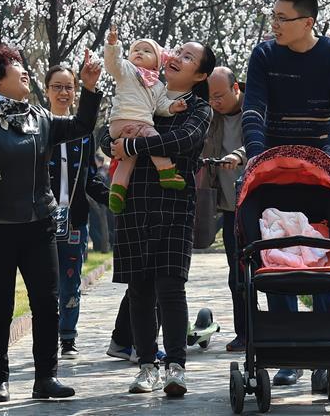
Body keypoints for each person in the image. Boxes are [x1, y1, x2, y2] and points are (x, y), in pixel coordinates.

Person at [0, 44, 102, 403]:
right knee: (0, 305)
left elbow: (82, 125)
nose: (24, 71)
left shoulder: (40, 118)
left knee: (47, 303)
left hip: (39, 225)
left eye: (23, 65)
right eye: (14, 66)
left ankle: (46, 378)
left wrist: (90, 88)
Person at [242, 0, 330, 389]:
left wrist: (326, 159)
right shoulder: (264, 56)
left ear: (307, 21)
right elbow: (254, 108)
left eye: (282, 18)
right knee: (273, 254)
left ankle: (328, 353)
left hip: (321, 172)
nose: (274, 25)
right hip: (273, 171)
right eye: (272, 16)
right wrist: (258, 155)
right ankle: (285, 350)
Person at [102, 40, 215, 397]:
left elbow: (183, 140)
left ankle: (176, 368)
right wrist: (114, 142)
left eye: (188, 57)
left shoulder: (198, 108)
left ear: (200, 74)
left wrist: (131, 146)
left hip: (174, 205)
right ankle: (146, 367)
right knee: (139, 290)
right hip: (135, 201)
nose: (177, 58)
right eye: (177, 52)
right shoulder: (143, 87)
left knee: (170, 287)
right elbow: (106, 135)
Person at [44, 64, 110, 359]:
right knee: (44, 282)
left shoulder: (83, 133)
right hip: (41, 219)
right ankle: (44, 337)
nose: (63, 92)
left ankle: (68, 336)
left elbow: (91, 178)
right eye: (57, 86)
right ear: (46, 90)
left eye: (68, 87)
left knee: (71, 278)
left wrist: (114, 199)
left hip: (74, 218)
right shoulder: (38, 126)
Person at [103, 23, 188, 213]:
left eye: (147, 51)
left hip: (129, 128)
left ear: (157, 62)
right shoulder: (126, 69)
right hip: (125, 121)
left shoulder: (157, 86)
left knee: (127, 158)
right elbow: (112, 64)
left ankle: (116, 191)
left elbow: (161, 106)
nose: (139, 52)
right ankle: (166, 172)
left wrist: (173, 106)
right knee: (154, 138)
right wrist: (113, 46)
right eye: (135, 50)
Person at [202, 66, 247, 351]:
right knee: (236, 274)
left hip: (256, 203)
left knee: (266, 273)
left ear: (236, 89)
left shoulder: (254, 109)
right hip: (229, 207)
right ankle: (244, 333)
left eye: (219, 96)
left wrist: (238, 156)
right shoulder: (211, 117)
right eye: (210, 97)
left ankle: (273, 330)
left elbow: (259, 142)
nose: (214, 102)